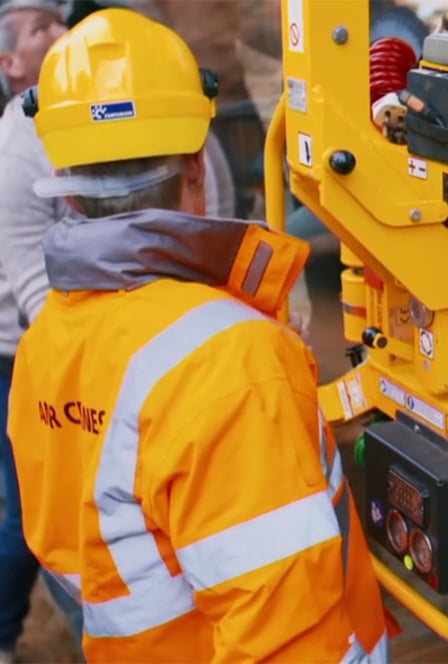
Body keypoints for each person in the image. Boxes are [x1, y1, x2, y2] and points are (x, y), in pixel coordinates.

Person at [7, 8, 389, 662]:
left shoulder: (45, 344)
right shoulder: (232, 362)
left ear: (67, 193)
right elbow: (290, 641)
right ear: (195, 168)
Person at [0, 0, 84, 660]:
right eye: (38, 31)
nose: (59, 31)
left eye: (58, 20)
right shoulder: (18, 143)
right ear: (10, 64)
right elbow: (34, 287)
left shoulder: (85, 107)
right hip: (21, 351)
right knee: (27, 514)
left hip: (69, 340)